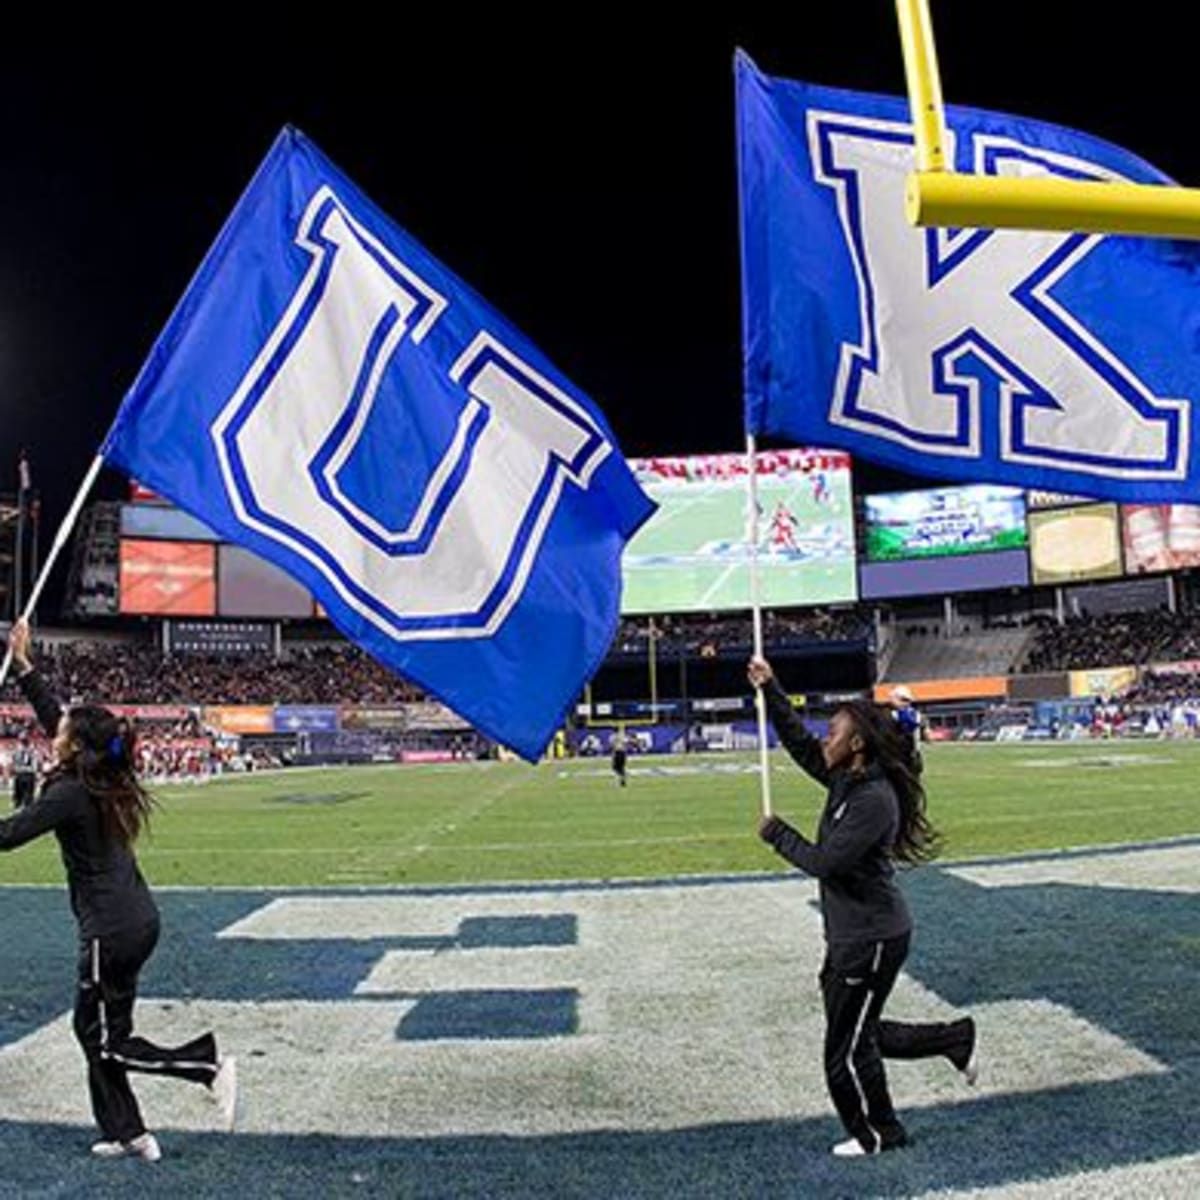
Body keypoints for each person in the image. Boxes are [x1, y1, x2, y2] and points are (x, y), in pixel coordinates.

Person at [0, 619, 237, 1163]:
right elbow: (54, 716)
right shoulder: (95, 775)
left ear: (76, 746)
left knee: (106, 1038)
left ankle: (206, 1066)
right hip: (134, 920)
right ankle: (129, 1132)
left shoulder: (70, 794)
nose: (52, 732)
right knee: (93, 1029)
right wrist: (26, 665)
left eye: (62, 733)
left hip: (110, 929)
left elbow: (8, 836)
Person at [748, 655, 977, 1158]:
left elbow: (826, 861)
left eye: (833, 733)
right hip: (855, 933)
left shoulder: (873, 799)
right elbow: (802, 747)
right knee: (861, 1034)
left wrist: (777, 834)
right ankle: (952, 1039)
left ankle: (873, 1135)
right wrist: (772, 689)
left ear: (856, 747)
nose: (824, 739)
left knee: (842, 1051)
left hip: (871, 937)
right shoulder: (846, 779)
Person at [11, 733, 37, 809]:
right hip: (22, 774)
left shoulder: (31, 751)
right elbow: (14, 761)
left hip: (26, 774)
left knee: (27, 795)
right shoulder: (18, 751)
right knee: (19, 794)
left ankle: (24, 806)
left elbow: (34, 764)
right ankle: (19, 804)